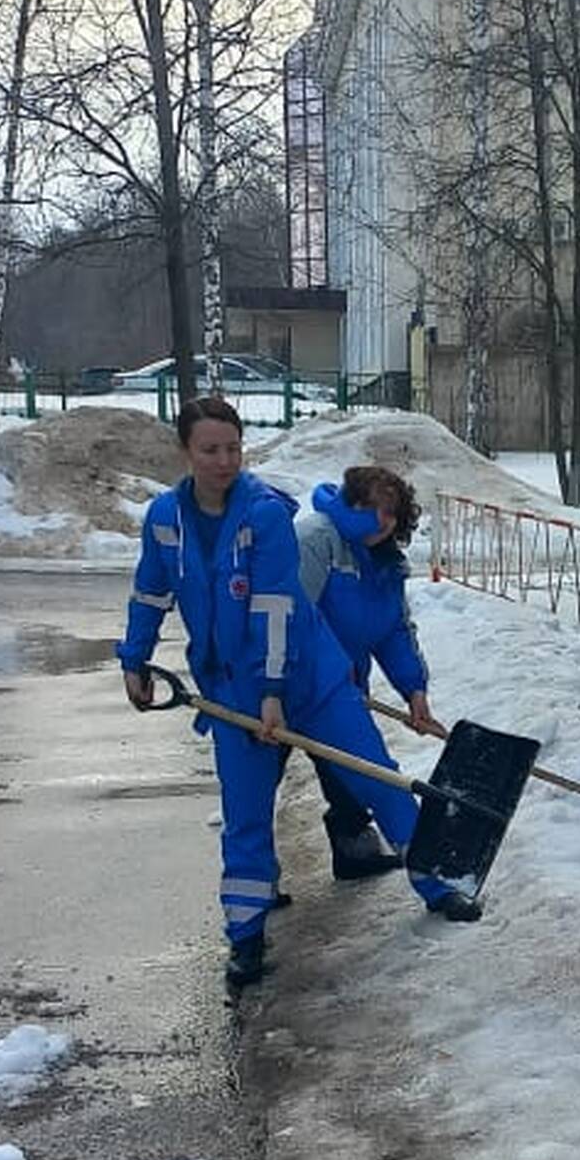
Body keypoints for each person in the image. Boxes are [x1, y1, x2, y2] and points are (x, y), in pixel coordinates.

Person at [117, 396, 481, 998]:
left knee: (378, 779)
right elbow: (150, 593)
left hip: (309, 677)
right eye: (210, 450)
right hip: (229, 689)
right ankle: (246, 933)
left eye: (233, 448)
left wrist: (275, 693)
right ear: (186, 452)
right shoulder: (164, 521)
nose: (224, 460)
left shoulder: (264, 515)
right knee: (246, 811)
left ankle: (438, 884)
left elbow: (278, 610)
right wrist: (135, 659)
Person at [293, 465, 437, 884]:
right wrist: (277, 691)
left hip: (338, 687)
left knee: (361, 775)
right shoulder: (316, 539)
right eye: (371, 508)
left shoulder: (385, 562)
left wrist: (414, 689)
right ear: (350, 503)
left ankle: (362, 851)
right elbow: (292, 621)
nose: (382, 521)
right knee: (257, 787)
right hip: (284, 682)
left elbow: (392, 629)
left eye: (392, 512)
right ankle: (256, 893)